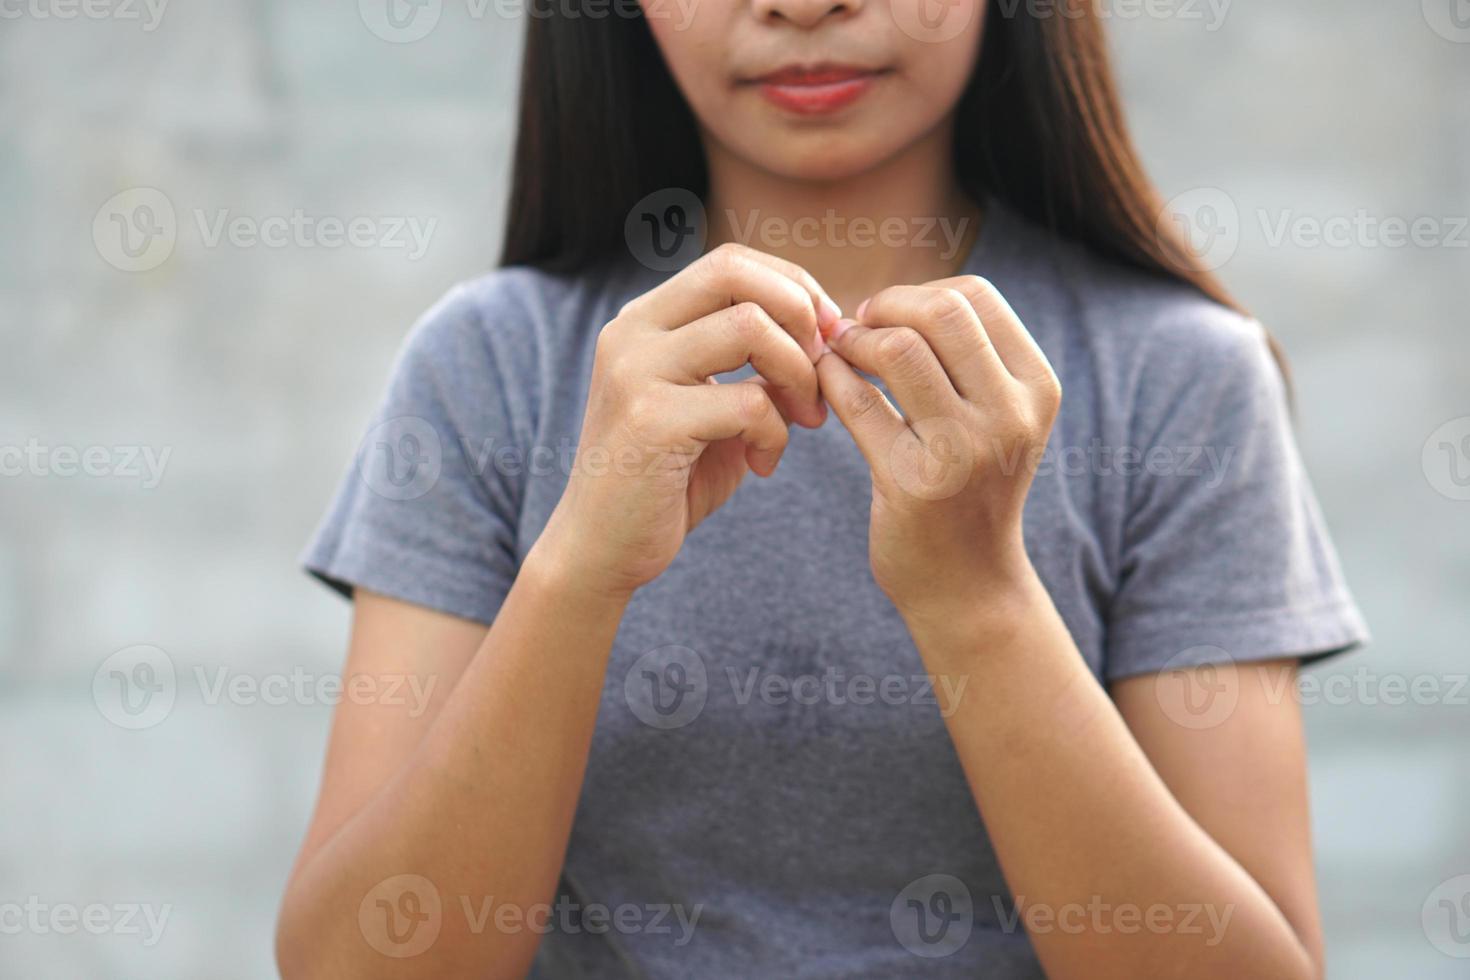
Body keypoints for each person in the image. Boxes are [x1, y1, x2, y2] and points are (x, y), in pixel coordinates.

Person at [276, 1, 1368, 976]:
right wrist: (578, 571)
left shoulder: (1182, 378)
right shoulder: (491, 365)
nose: (802, 7)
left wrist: (976, 599)